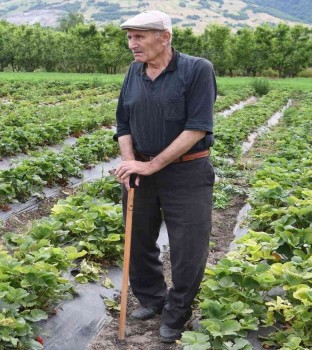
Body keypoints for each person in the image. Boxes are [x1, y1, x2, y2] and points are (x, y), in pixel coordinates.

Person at [112, 10, 216, 343]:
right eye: (129, 37)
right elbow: (123, 124)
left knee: (188, 248)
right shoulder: (133, 72)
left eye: (139, 36)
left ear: (165, 37)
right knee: (139, 240)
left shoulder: (197, 70)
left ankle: (177, 312)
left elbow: (198, 128)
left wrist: (152, 165)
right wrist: (130, 163)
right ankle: (153, 299)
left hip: (187, 172)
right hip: (141, 171)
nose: (132, 44)